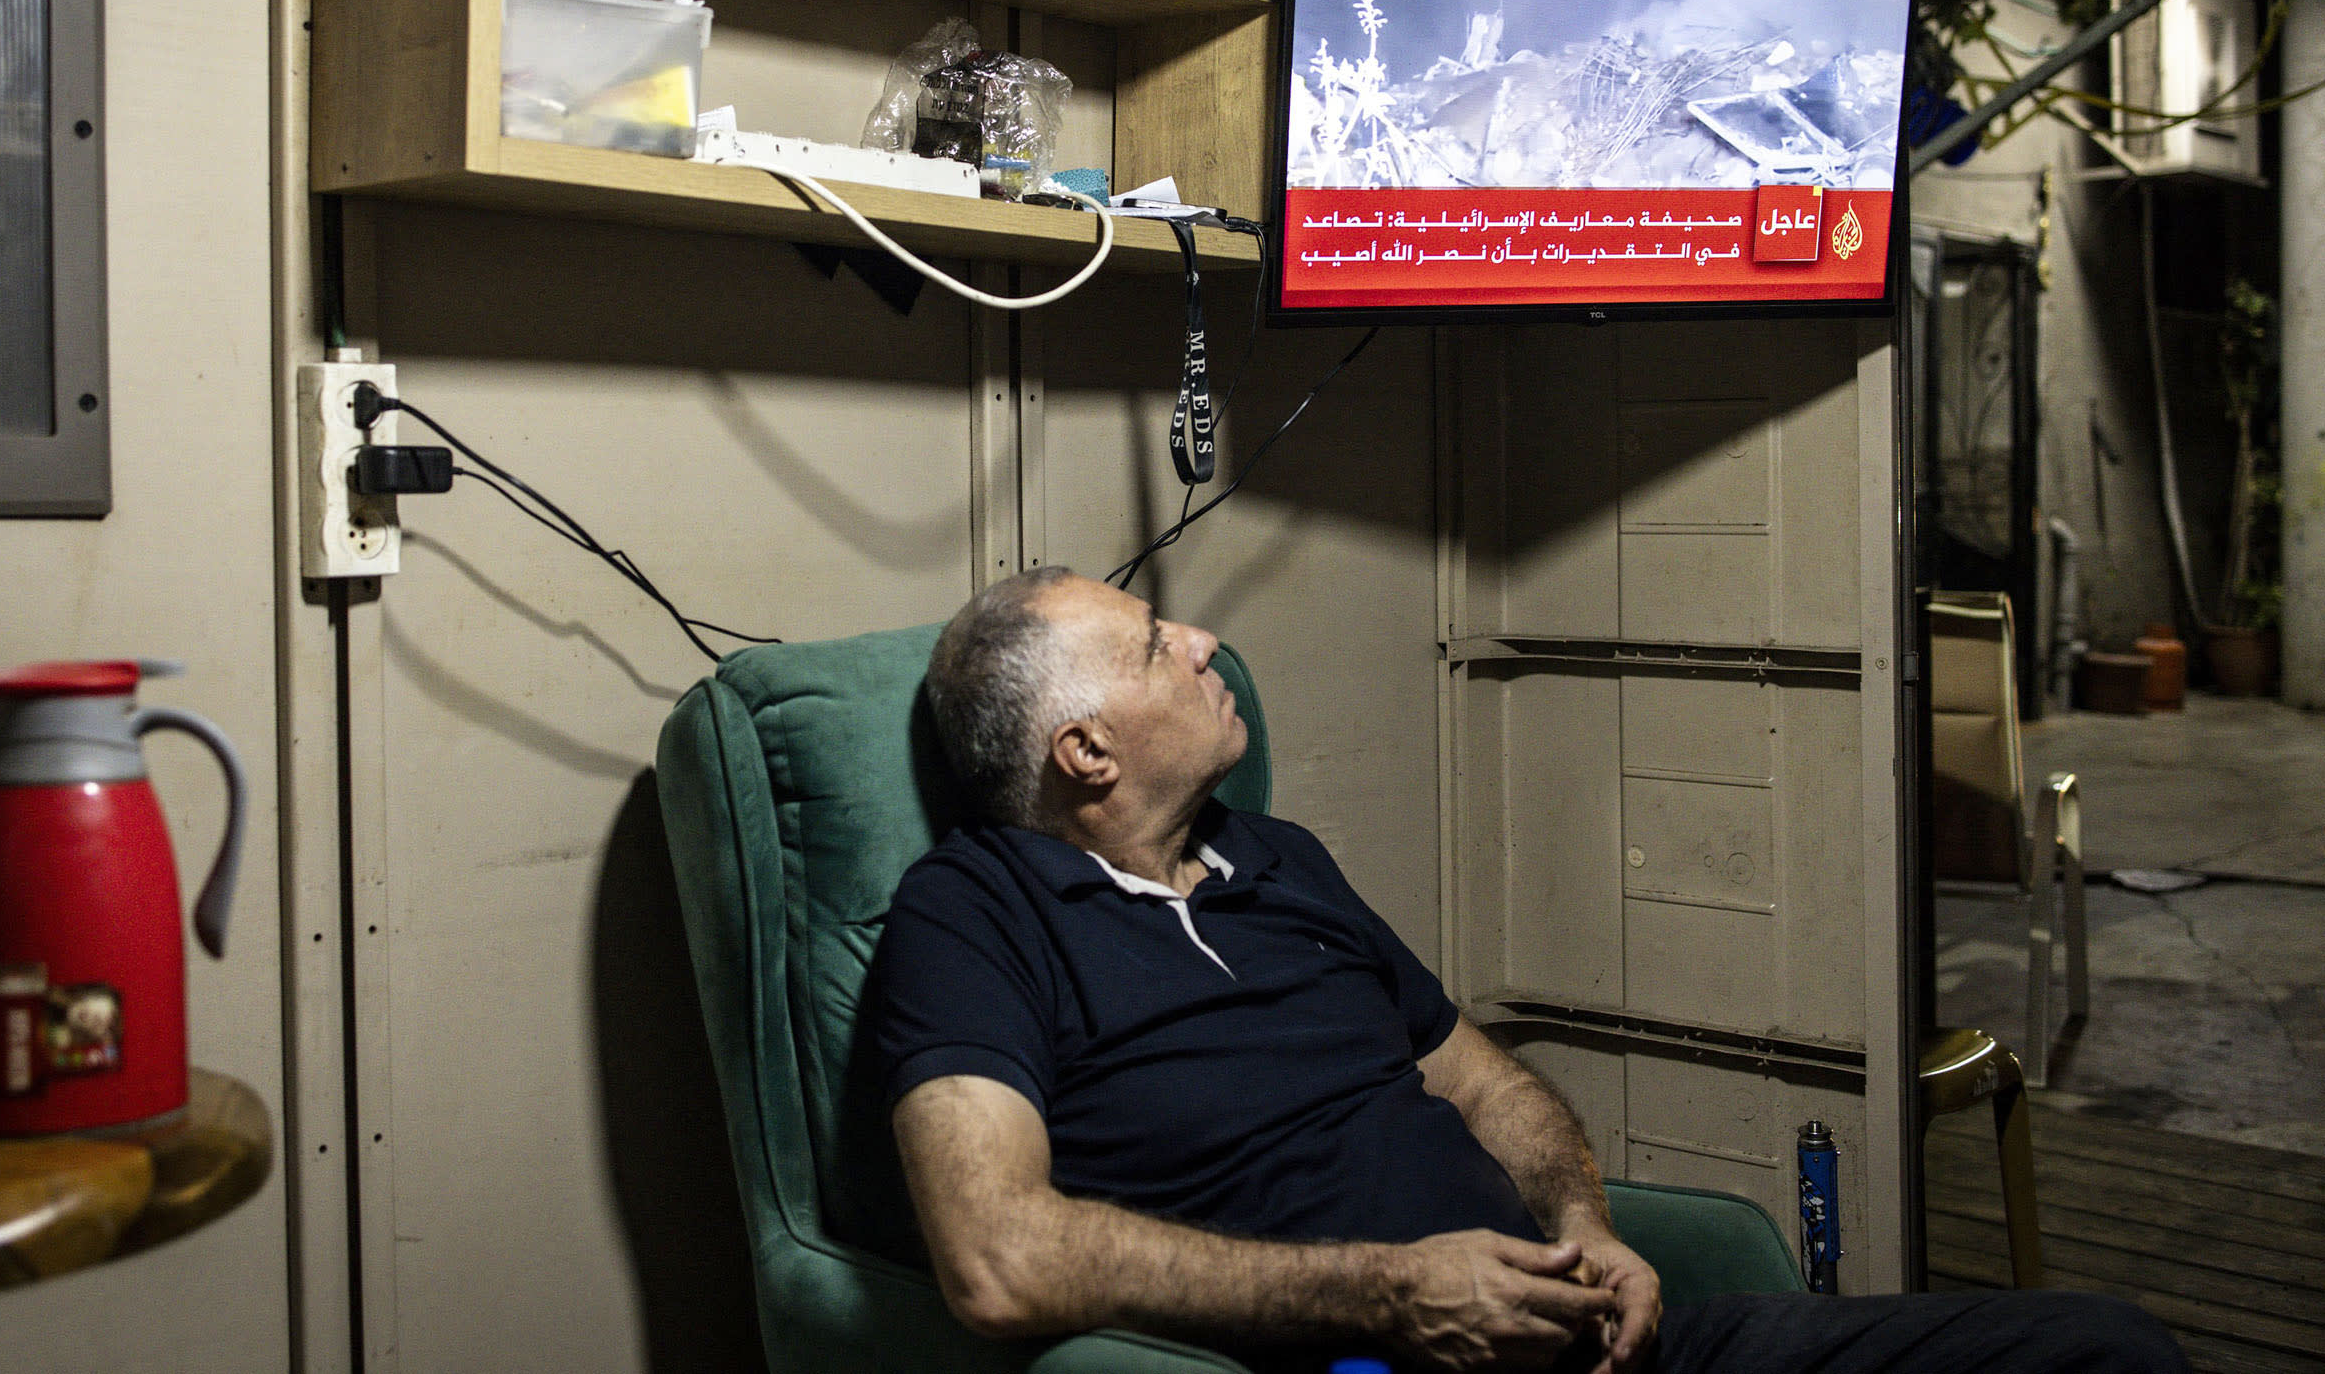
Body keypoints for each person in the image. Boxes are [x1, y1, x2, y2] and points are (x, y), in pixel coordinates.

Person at [863, 566, 2185, 1374]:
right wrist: (1386, 1295)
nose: (1205, 642)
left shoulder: (1279, 859)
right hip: (1369, 1365)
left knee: (2102, 1349)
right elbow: (998, 1257)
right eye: (1158, 643)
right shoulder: (975, 914)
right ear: (1083, 752)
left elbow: (1491, 1090)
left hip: (1593, 1346)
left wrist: (1586, 1233)